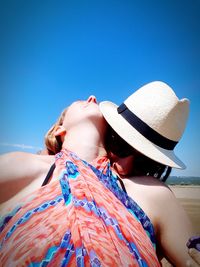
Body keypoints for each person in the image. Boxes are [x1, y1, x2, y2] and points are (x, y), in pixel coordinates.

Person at [0, 81, 197, 266]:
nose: (93, 97)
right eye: (119, 145)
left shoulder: (154, 193)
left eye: (144, 162)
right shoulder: (23, 165)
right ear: (60, 130)